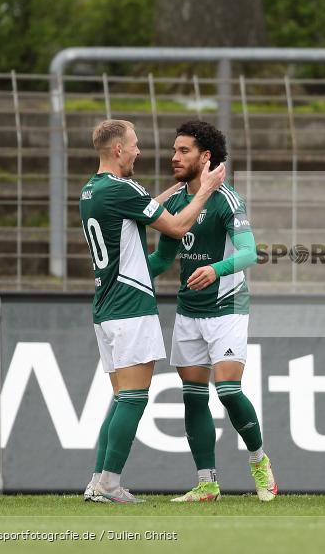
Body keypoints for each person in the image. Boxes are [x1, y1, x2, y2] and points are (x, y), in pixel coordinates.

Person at [80, 119, 224, 504]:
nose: (139, 151)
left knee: (121, 396)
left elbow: (135, 211)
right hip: (130, 305)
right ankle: (109, 483)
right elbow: (176, 227)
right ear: (118, 150)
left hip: (105, 307)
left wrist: (169, 193)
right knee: (134, 397)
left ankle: (98, 481)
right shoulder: (123, 188)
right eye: (134, 144)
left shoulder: (91, 190)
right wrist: (204, 191)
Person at [145, 120, 276, 503]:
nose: (174, 157)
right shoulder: (174, 203)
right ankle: (207, 483)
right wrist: (123, 274)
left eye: (183, 150)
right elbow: (162, 258)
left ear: (205, 157)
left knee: (230, 390)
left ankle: (258, 460)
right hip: (188, 311)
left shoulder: (227, 200)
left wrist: (216, 269)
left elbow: (251, 252)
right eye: (174, 149)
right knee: (193, 396)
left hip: (227, 309)